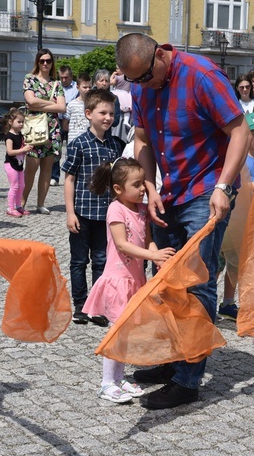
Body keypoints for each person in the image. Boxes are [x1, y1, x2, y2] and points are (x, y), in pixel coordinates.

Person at [116, 33, 250, 410]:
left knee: (196, 281)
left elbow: (240, 130)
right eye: (135, 82)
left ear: (160, 55)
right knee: (166, 280)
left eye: (145, 77)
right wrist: (148, 184)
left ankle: (188, 380)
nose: (142, 86)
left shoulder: (202, 76)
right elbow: (142, 138)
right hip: (169, 191)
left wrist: (223, 187)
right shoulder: (142, 82)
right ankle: (173, 362)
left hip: (206, 187)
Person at [85, 157, 176, 403]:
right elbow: (122, 244)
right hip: (118, 280)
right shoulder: (116, 209)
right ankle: (106, 383)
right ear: (118, 189)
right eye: (136, 185)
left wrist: (158, 258)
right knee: (116, 331)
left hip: (135, 280)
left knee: (126, 332)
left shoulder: (142, 210)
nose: (142, 189)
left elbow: (148, 240)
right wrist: (153, 254)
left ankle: (119, 378)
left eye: (143, 184)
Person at [61, 89, 125, 326]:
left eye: (111, 113)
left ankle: (97, 305)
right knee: (79, 261)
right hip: (82, 213)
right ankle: (80, 304)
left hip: (106, 215)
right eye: (103, 112)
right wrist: (69, 212)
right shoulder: (79, 144)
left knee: (101, 261)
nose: (108, 117)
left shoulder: (116, 146)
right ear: (89, 114)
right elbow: (70, 179)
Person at [218, 112, 254, 321]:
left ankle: (228, 303)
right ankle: (207, 301)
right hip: (233, 218)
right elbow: (235, 185)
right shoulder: (238, 158)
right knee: (220, 261)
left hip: (250, 217)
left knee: (236, 263)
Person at [22, 49, 66, 214]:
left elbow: (62, 107)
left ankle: (41, 204)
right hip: (34, 128)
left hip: (52, 130)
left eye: (48, 60)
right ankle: (22, 203)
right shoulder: (30, 79)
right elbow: (29, 101)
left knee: (47, 169)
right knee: (31, 168)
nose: (45, 63)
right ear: (38, 62)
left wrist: (37, 104)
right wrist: (49, 104)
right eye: (42, 61)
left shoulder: (57, 83)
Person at [2, 108, 33, 217]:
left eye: (22, 122)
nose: (21, 124)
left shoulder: (20, 136)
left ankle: (18, 206)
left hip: (19, 165)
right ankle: (10, 208)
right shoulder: (9, 137)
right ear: (11, 122)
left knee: (22, 186)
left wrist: (26, 149)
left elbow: (20, 149)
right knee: (14, 186)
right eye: (19, 122)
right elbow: (10, 152)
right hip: (10, 165)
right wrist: (23, 150)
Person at [52, 65, 79, 186]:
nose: (63, 80)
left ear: (71, 76)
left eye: (66, 77)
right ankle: (54, 176)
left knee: (73, 149)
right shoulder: (55, 86)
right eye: (61, 78)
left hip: (72, 122)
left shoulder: (76, 88)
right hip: (57, 120)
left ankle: (72, 175)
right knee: (55, 149)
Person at [66, 72, 93, 146]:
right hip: (73, 141)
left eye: (90, 87)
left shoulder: (93, 105)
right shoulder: (71, 105)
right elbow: (65, 124)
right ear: (77, 87)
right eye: (85, 87)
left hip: (88, 141)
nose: (87, 89)